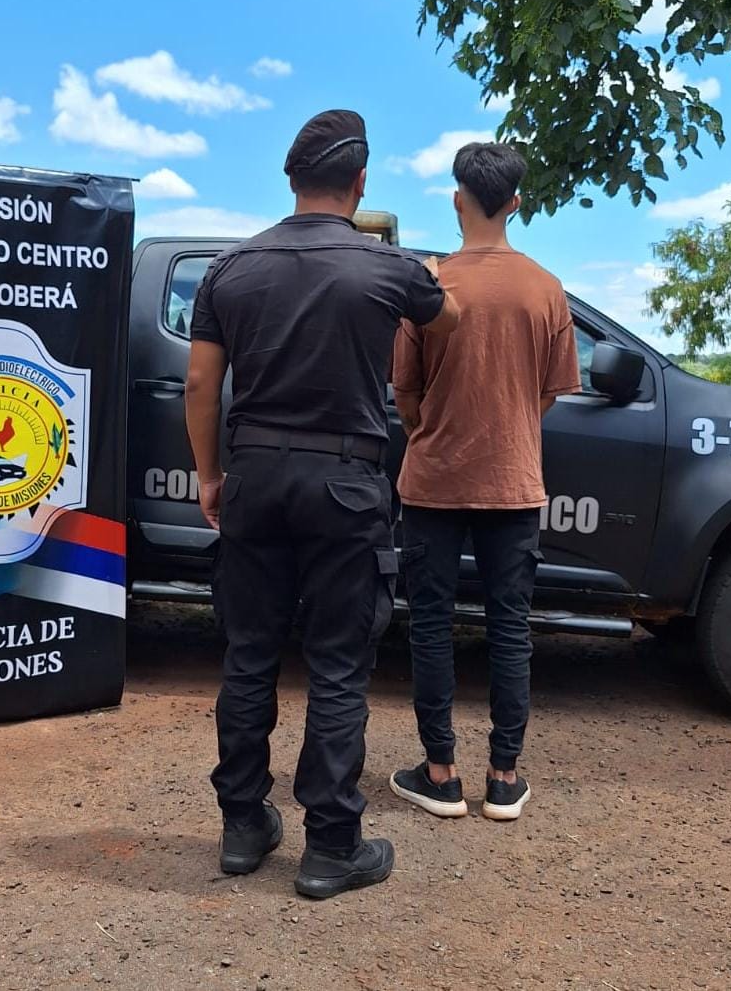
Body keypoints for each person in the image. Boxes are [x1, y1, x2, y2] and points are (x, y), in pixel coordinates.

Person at [185, 110, 459, 899]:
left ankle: (243, 827)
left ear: (291, 179)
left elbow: (201, 382)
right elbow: (452, 317)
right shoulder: (389, 268)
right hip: (345, 483)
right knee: (338, 664)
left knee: (248, 654)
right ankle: (331, 846)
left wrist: (211, 475)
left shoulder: (229, 268)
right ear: (361, 182)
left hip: (254, 477)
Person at [389, 142, 580, 822]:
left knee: (430, 624)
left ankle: (440, 774)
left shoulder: (430, 284)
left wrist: (433, 429)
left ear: (457, 200)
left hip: (433, 481)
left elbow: (405, 393)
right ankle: (504, 777)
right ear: (517, 203)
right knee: (509, 627)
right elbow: (548, 393)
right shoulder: (546, 288)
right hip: (512, 483)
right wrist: (506, 430)